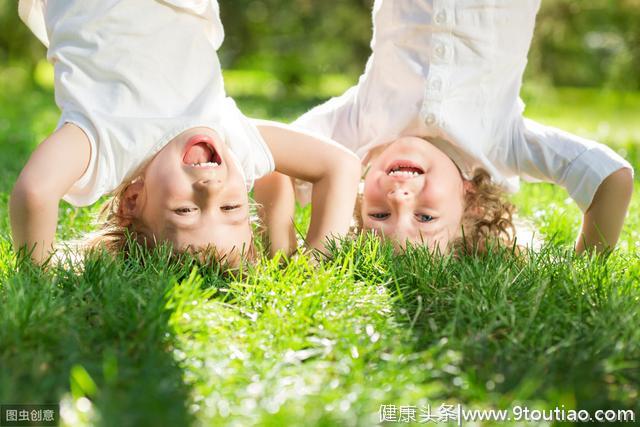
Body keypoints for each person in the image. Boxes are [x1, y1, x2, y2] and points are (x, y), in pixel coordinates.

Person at [10, 0, 360, 266]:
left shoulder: (111, 144)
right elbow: (339, 165)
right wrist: (315, 264)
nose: (210, 190)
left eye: (186, 211)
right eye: (231, 206)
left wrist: (38, 273)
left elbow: (35, 191)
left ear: (132, 200)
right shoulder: (228, 136)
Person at [293, 0, 633, 254]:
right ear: (472, 203)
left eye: (379, 214)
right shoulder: (502, 143)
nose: (399, 198)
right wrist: (585, 267)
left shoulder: (361, 124)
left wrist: (285, 246)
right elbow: (611, 176)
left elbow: (269, 159)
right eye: (425, 218)